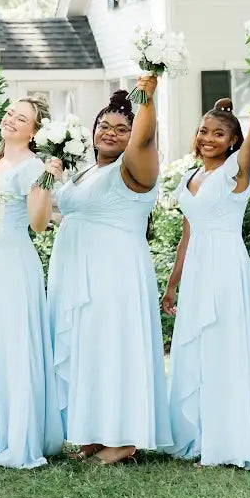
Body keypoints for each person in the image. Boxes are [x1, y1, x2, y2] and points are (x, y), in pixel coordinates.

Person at [47, 81, 170, 465]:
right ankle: (95, 433)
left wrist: (147, 97)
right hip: (78, 274)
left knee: (116, 347)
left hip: (115, 273)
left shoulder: (134, 166)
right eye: (104, 125)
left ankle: (124, 438)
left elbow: (145, 137)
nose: (111, 133)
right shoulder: (86, 170)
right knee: (91, 349)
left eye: (122, 129)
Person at [162, 98, 250, 472]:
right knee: (196, 347)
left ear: (232, 141)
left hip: (227, 266)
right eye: (204, 131)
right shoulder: (189, 177)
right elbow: (187, 236)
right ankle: (197, 436)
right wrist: (172, 283)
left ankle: (227, 441)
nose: (208, 138)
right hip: (197, 269)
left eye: (218, 134)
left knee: (224, 345)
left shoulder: (236, 170)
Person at [0, 96, 63, 469]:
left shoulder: (33, 166)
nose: (11, 120)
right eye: (10, 114)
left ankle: (19, 439)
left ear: (34, 131)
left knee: (13, 345)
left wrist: (46, 182)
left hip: (12, 264)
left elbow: (38, 223)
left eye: (21, 119)